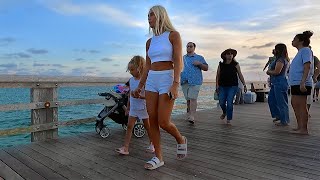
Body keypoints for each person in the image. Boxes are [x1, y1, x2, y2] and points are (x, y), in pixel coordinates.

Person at [133, 5, 187, 170]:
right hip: (151, 81)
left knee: (164, 121)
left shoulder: (173, 35)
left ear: (160, 16)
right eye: (147, 16)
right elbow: (147, 66)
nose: (148, 18)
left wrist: (175, 84)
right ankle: (158, 156)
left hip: (167, 78)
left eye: (151, 15)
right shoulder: (149, 42)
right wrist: (139, 86)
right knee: (152, 119)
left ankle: (180, 139)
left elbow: (178, 61)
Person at [115, 56, 154, 155]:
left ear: (140, 68)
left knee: (147, 127)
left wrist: (140, 97)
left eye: (132, 69)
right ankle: (126, 148)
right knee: (129, 127)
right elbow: (129, 95)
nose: (131, 72)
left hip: (143, 107)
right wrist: (128, 108)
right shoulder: (131, 80)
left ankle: (152, 143)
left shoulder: (145, 81)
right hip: (133, 108)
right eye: (129, 70)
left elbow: (149, 96)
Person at [289, 30, 314, 135]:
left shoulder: (305, 50)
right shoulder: (300, 52)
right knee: (294, 103)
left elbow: (307, 66)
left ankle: (304, 129)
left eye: (294, 39)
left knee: (301, 105)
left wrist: (303, 82)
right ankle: (300, 126)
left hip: (301, 82)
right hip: (295, 82)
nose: (292, 41)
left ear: (300, 41)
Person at [215, 48, 247, 125]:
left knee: (229, 102)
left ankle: (229, 119)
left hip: (232, 86)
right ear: (225, 56)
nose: (230, 55)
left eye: (231, 54)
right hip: (222, 86)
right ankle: (224, 112)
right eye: (228, 54)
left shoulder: (236, 64)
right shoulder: (221, 65)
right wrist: (217, 86)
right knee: (221, 102)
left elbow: (240, 74)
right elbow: (217, 76)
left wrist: (244, 85)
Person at [180, 42, 208, 124]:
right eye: (187, 46)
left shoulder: (199, 58)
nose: (189, 48)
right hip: (184, 81)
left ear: (194, 48)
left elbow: (206, 68)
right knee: (188, 99)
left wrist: (199, 64)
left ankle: (192, 116)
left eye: (190, 46)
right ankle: (189, 114)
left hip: (195, 81)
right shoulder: (182, 58)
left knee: (193, 98)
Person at [266, 43, 290, 126]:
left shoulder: (281, 60)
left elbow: (277, 71)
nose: (274, 50)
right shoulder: (278, 58)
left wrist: (269, 72)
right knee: (271, 100)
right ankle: (279, 116)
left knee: (281, 102)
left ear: (278, 50)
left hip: (280, 83)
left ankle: (284, 121)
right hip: (275, 83)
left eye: (275, 49)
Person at [307, 47, 320, 116]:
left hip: (309, 79)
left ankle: (306, 112)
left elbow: (319, 67)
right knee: (308, 97)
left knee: (309, 97)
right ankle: (305, 112)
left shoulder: (314, 58)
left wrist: (315, 76)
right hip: (302, 79)